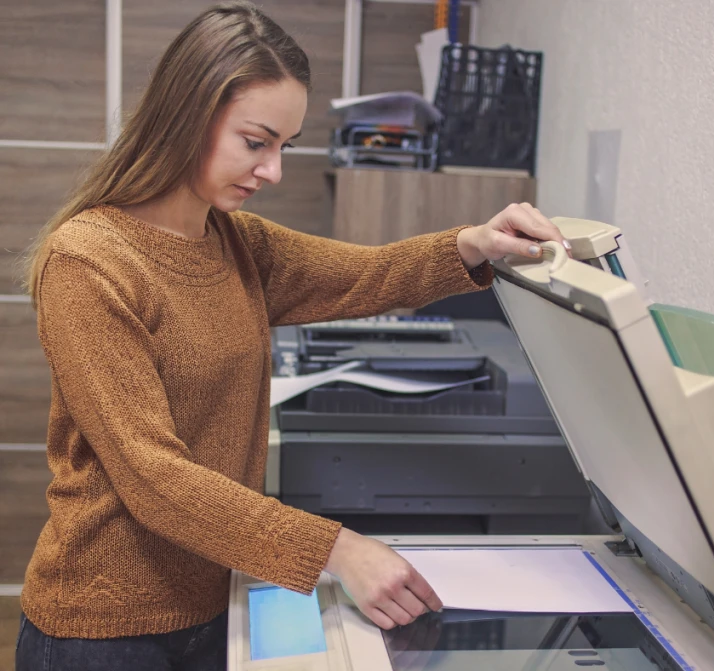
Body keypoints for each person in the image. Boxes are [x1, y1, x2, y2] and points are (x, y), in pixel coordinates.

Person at [15, 2, 570, 669]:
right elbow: (154, 478)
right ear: (188, 113)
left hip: (212, 602)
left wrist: (475, 243)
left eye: (285, 146)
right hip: (101, 630)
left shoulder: (235, 243)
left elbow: (367, 273)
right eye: (257, 142)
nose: (273, 171)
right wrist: (342, 549)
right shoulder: (90, 261)